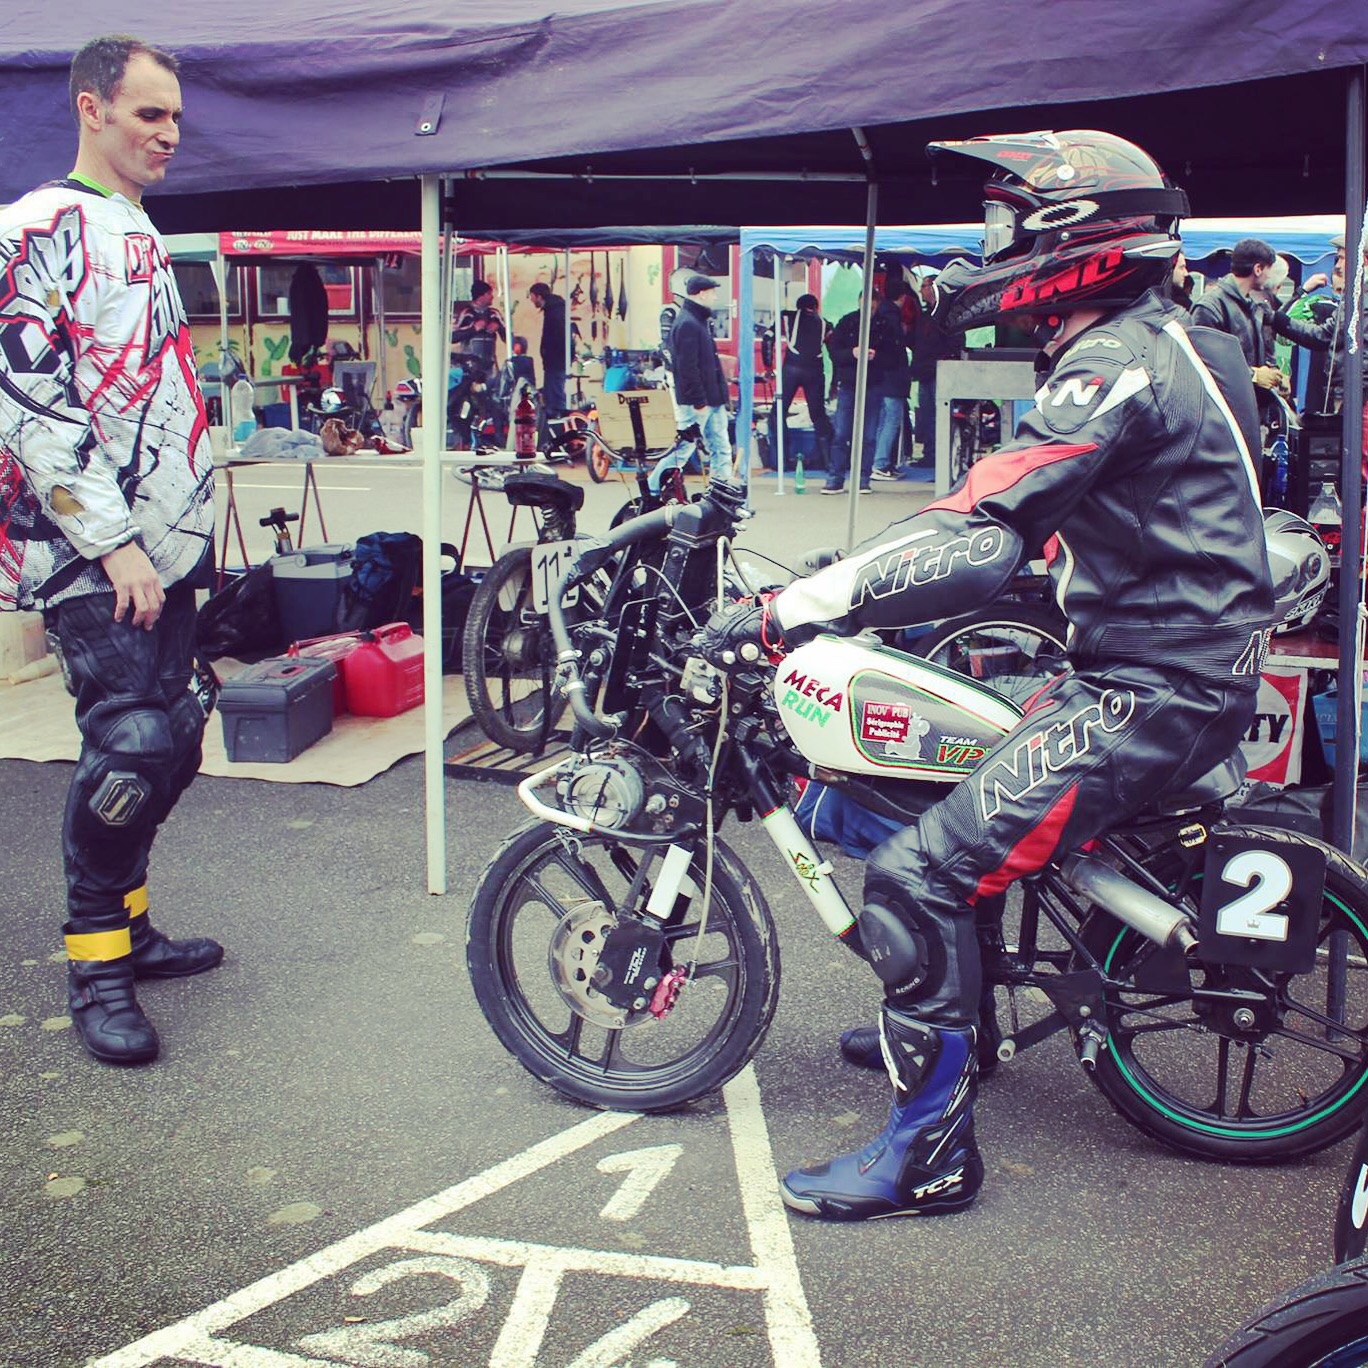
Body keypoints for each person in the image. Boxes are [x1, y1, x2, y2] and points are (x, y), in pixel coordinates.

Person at [698, 129, 1273, 1221]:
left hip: (1153, 690)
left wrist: (798, 606)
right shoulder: (1181, 339)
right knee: (932, 794)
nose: (994, 247)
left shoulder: (1113, 363)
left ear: (1077, 240)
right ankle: (972, 1029)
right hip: (1168, 668)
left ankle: (928, 1157)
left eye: (1010, 226)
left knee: (916, 875)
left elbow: (983, 531)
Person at [0, 35, 223, 1067]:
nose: (168, 133)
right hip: (95, 556)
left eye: (174, 116)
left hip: (166, 549)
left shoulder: (134, 225)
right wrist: (114, 541)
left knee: (174, 736)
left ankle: (129, 927)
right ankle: (96, 968)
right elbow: (29, 403)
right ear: (92, 109)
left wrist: (184, 534)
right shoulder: (34, 229)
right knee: (128, 743)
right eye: (148, 113)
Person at [1191, 237, 1330, 424]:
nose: (1271, 277)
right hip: (1222, 418)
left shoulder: (1255, 306)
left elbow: (1263, 351)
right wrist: (1254, 376)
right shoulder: (1210, 307)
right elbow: (1204, 363)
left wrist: (1275, 375)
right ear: (1258, 269)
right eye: (1269, 270)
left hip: (1252, 414)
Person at [822, 290, 900, 494]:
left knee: (869, 435)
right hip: (849, 384)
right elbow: (834, 353)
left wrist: (876, 356)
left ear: (877, 305)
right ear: (859, 302)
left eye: (872, 308)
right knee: (841, 433)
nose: (868, 311)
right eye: (865, 306)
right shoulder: (847, 322)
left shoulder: (885, 326)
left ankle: (863, 479)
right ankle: (835, 478)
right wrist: (852, 353)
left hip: (873, 384)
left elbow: (894, 357)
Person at [668, 274, 732, 483]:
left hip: (710, 397)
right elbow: (687, 368)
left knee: (720, 446)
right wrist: (699, 401)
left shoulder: (696, 321)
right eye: (713, 292)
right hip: (700, 401)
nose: (715, 297)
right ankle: (655, 486)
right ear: (702, 294)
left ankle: (722, 487)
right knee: (684, 449)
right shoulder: (689, 323)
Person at [769, 293, 833, 472]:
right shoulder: (825, 325)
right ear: (816, 307)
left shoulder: (787, 318)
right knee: (818, 415)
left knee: (778, 413)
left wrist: (768, 366)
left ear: (798, 307)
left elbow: (767, 337)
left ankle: (781, 461)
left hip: (791, 368)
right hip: (815, 371)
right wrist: (835, 379)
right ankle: (827, 462)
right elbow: (834, 352)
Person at [907, 271, 961, 477]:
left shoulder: (948, 313)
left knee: (940, 416)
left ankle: (940, 455)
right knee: (927, 415)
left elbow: (956, 341)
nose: (921, 291)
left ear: (933, 288)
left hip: (940, 371)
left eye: (923, 286)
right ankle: (930, 453)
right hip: (924, 372)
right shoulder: (923, 316)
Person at [871, 280, 914, 479]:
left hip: (881, 377)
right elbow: (895, 351)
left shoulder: (881, 316)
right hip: (893, 379)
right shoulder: (894, 319)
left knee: (883, 420)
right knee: (891, 420)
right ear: (903, 297)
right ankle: (880, 463)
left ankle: (878, 461)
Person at [528, 282, 567, 418]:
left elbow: (558, 335)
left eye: (532, 296)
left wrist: (549, 353)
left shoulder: (554, 311)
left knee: (555, 395)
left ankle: (558, 419)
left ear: (539, 296)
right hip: (554, 359)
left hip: (555, 359)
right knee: (553, 392)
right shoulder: (554, 309)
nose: (531, 299)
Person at [451, 280, 506, 373]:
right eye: (489, 294)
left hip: (490, 365)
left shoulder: (494, 314)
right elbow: (452, 337)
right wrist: (474, 329)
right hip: (469, 365)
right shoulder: (466, 313)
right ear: (481, 296)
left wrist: (499, 327)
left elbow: (508, 338)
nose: (492, 296)